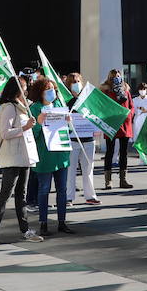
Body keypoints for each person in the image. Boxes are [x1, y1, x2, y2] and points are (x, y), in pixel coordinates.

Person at [0, 76, 45, 248]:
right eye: (23, 87)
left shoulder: (22, 107)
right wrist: (25, 127)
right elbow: (5, 133)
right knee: (5, 194)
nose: (26, 91)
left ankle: (25, 230)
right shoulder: (9, 107)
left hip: (24, 156)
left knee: (21, 195)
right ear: (16, 89)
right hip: (12, 157)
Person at [27, 76, 72, 236]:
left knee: (62, 190)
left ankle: (62, 222)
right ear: (40, 91)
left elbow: (66, 130)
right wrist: (38, 123)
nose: (51, 91)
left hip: (61, 154)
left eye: (53, 88)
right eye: (47, 89)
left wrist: (68, 122)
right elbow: (30, 133)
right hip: (44, 155)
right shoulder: (34, 108)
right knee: (44, 189)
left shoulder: (59, 105)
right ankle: (43, 223)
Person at [62, 73, 100, 205]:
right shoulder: (64, 101)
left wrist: (97, 130)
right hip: (72, 140)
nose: (76, 84)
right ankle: (68, 197)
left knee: (88, 169)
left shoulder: (87, 99)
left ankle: (90, 196)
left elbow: (95, 115)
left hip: (88, 140)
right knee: (70, 170)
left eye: (78, 81)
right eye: (73, 82)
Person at [100, 70, 133, 190]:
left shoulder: (126, 89)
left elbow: (131, 106)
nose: (117, 78)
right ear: (110, 78)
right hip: (111, 124)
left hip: (125, 123)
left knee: (124, 152)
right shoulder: (106, 90)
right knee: (110, 152)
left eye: (118, 76)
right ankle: (108, 181)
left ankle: (123, 180)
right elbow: (102, 106)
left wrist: (129, 115)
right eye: (114, 77)